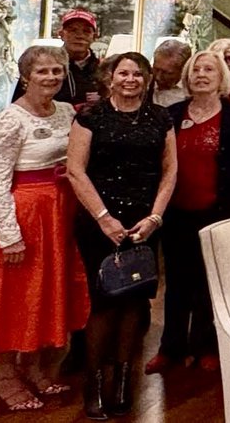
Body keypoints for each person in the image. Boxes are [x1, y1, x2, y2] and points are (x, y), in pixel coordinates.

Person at [0, 46, 90, 412]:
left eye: (57, 70)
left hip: (60, 212)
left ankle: (35, 367)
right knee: (15, 298)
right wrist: (9, 237)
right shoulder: (10, 120)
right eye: (42, 71)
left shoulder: (67, 112)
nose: (51, 77)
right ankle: (6, 375)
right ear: (25, 77)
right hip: (24, 216)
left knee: (47, 294)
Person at [66, 52, 176, 420]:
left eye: (137, 74)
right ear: (110, 78)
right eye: (123, 73)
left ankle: (125, 379)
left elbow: (170, 171)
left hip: (144, 222)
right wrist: (104, 218)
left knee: (134, 301)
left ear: (147, 80)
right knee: (104, 303)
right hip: (99, 221)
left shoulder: (161, 118)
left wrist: (155, 217)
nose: (130, 79)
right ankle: (94, 384)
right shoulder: (90, 116)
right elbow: (75, 170)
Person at [149, 50, 230, 376]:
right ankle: (170, 348)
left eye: (209, 69)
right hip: (176, 210)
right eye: (195, 70)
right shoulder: (171, 114)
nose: (201, 75)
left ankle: (205, 346)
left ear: (221, 77)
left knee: (209, 283)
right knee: (177, 282)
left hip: (219, 211)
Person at [12, 9, 101, 108]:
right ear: (61, 34)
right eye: (72, 30)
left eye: (86, 31)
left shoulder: (104, 69)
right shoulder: (41, 64)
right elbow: (20, 105)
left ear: (94, 36)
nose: (79, 36)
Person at [149, 39, 191, 107]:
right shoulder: (145, 81)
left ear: (183, 69)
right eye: (156, 69)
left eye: (166, 73)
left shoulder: (192, 89)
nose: (158, 77)